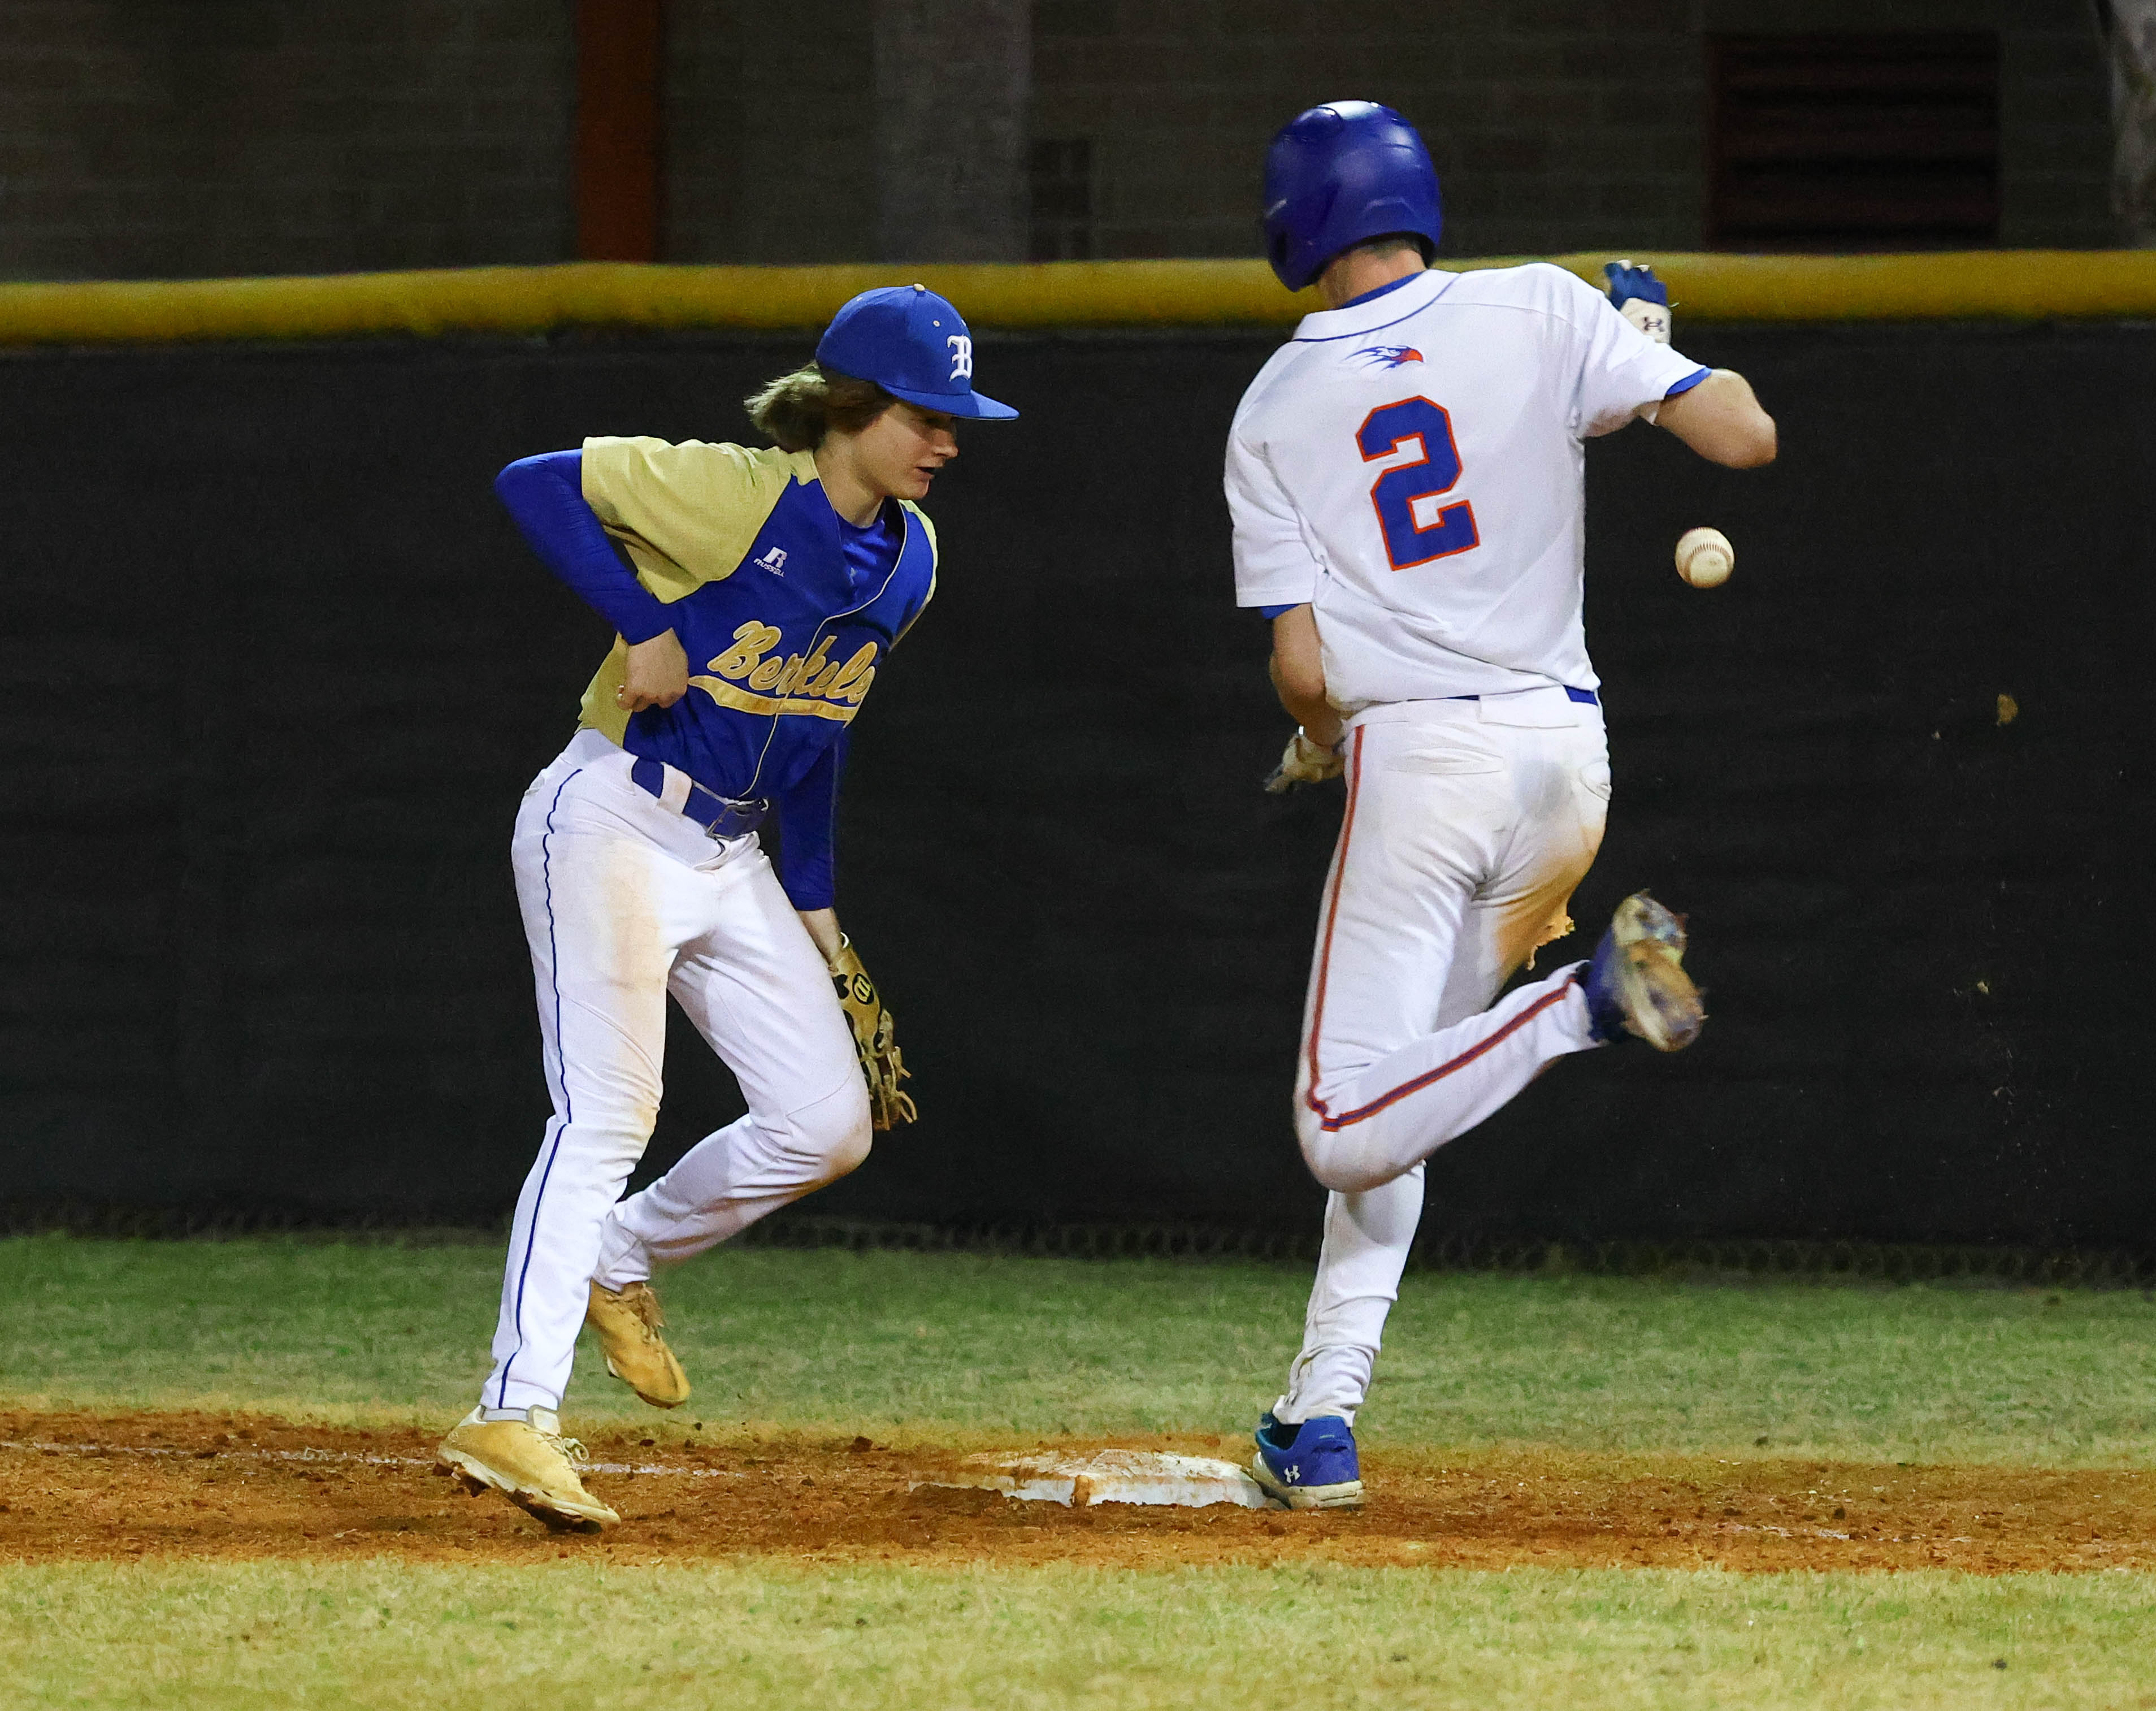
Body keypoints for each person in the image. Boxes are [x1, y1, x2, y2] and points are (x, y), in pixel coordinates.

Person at [1227, 102, 1776, 1509]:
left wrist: (1316, 733)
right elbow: (1745, 437)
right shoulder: (1541, 307)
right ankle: (1319, 1415)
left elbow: (1302, 665)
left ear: (1299, 224)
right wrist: (1643, 354)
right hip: (1566, 772)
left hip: (1422, 768)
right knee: (1410, 1091)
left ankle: (1583, 1002)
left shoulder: (1279, 403)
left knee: (1341, 1121)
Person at [436, 285, 1017, 1530]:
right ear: (851, 407)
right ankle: (512, 1406)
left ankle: (619, 1255)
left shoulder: (908, 559)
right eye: (927, 414)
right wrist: (642, 623)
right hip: (612, 814)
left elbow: (817, 734)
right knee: (609, 1110)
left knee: (827, 1121)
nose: (948, 438)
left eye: (957, 418)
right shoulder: (740, 493)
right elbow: (533, 480)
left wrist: (818, 915)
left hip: (736, 852)